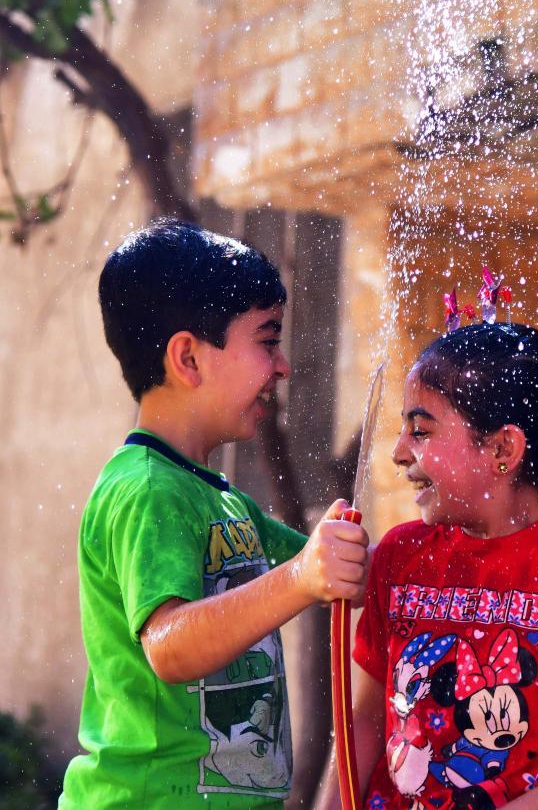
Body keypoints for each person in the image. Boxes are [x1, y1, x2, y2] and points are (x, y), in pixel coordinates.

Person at [59, 219, 369, 810]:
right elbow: (169, 648)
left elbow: (324, 572)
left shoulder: (223, 500)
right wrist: (304, 577)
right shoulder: (148, 491)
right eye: (267, 340)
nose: (282, 367)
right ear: (189, 358)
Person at [316, 322, 538, 810]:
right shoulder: (400, 555)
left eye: (421, 430)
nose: (398, 452)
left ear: (502, 450)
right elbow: (365, 720)